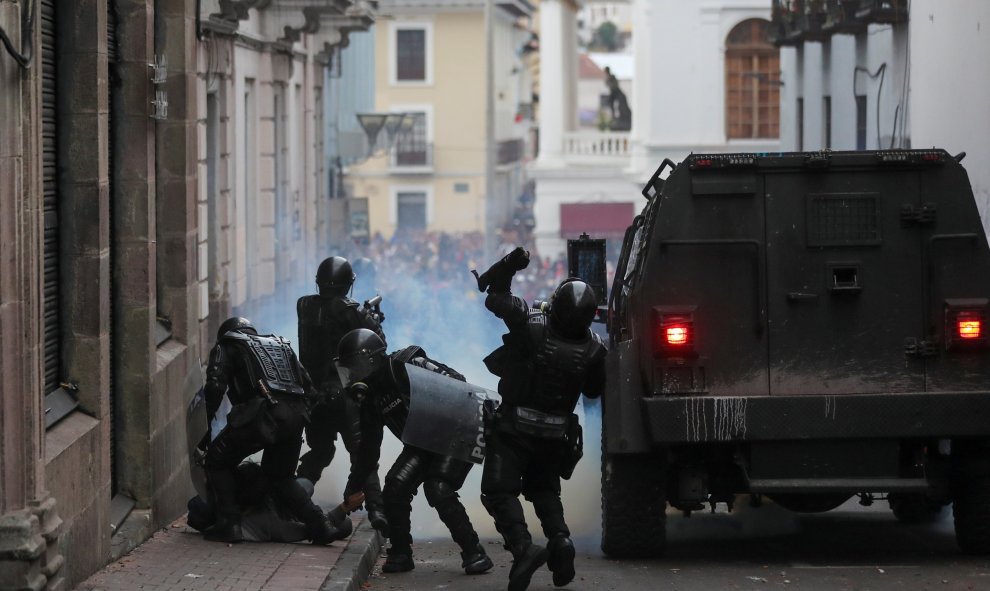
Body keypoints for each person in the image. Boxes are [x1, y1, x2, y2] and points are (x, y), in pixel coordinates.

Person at [475, 247, 607, 591]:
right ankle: (561, 540)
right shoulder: (595, 350)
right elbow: (593, 392)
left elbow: (495, 298)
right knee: (544, 490)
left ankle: (523, 549)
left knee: (497, 491)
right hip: (555, 434)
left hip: (514, 428)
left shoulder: (531, 325)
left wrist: (507, 266)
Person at [334, 328, 494, 575]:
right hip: (424, 441)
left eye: (354, 367)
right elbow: (367, 450)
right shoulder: (370, 398)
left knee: (437, 488)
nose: (352, 375)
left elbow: (457, 383)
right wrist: (353, 486)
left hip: (458, 430)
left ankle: (474, 552)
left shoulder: (406, 364)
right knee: (395, 485)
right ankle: (400, 553)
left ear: (369, 359)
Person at [202, 316, 338, 544]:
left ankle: (229, 523)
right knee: (281, 477)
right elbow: (309, 388)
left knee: (216, 460)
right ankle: (320, 525)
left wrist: (205, 427)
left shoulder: (227, 344)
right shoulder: (281, 344)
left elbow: (215, 386)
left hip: (263, 413)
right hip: (296, 415)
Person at [296, 256, 389, 533]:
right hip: (345, 394)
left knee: (321, 450)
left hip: (313, 394)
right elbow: (376, 344)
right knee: (362, 455)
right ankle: (377, 511)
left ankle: (295, 497)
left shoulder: (303, 305)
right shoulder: (352, 312)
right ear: (348, 284)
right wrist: (373, 320)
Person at [186, 462, 360, 543]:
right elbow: (313, 530)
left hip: (264, 507)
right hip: (280, 516)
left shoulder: (230, 493)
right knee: (345, 526)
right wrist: (342, 509)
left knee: (304, 485)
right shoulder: (267, 522)